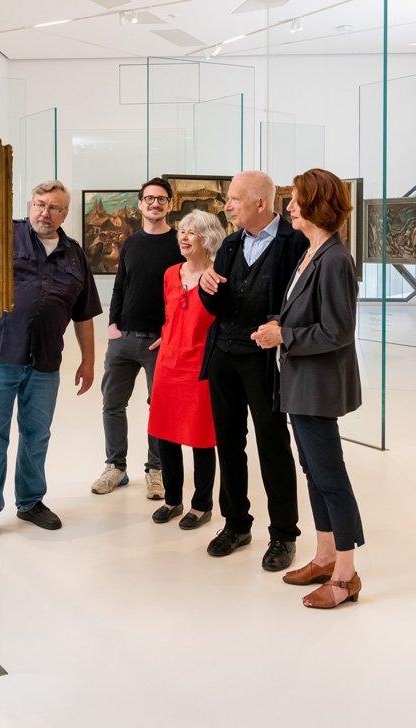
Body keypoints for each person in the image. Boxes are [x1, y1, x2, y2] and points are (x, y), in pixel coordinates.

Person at [0, 180, 102, 548]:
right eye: (39, 204)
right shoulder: (1, 236)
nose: (44, 213)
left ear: (66, 214)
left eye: (54, 208)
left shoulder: (75, 255)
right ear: (30, 204)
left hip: (45, 363)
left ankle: (30, 502)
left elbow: (84, 314)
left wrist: (89, 361)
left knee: (37, 436)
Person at [251, 168, 364, 608]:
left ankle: (346, 575)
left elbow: (338, 331)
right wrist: (281, 326)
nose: (289, 207)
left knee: (330, 477)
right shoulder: (311, 251)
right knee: (314, 473)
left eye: (296, 200)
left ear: (316, 204)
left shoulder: (335, 258)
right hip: (300, 381)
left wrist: (285, 337)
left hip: (318, 385)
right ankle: (323, 555)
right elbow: (306, 314)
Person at [198, 170, 308, 571]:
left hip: (266, 360)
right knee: (227, 443)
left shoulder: (295, 243)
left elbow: (301, 304)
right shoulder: (229, 244)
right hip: (224, 356)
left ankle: (283, 534)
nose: (227, 206)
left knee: (273, 445)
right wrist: (208, 288)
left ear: (261, 203)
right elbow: (217, 307)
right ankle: (236, 524)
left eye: (234, 199)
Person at [91, 178, 183, 499]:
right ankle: (116, 467)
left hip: (161, 342)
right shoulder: (130, 243)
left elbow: (187, 295)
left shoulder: (179, 244)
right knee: (112, 405)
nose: (154, 204)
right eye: (149, 199)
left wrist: (172, 333)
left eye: (161, 199)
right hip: (123, 339)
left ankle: (155, 470)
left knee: (159, 408)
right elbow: (120, 286)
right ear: (140, 204)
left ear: (169, 204)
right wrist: (113, 325)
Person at [148, 210, 224, 530]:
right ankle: (172, 498)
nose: (183, 236)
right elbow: (168, 316)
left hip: (201, 366)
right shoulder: (169, 274)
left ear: (206, 239)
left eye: (191, 232)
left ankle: (201, 505)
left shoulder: (217, 277)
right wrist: (165, 336)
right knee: (165, 433)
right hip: (168, 364)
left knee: (201, 437)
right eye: (181, 231)